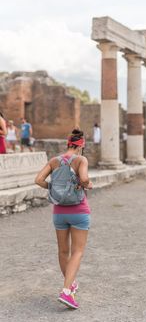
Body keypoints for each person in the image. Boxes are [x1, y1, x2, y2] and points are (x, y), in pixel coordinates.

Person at [35, 129, 93, 309]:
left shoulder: (54, 161)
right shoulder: (81, 160)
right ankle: (66, 292)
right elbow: (83, 178)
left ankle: (70, 285)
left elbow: (38, 180)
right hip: (78, 211)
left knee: (63, 251)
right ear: (81, 145)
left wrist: (53, 188)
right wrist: (87, 184)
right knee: (77, 251)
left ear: (68, 144)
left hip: (59, 212)